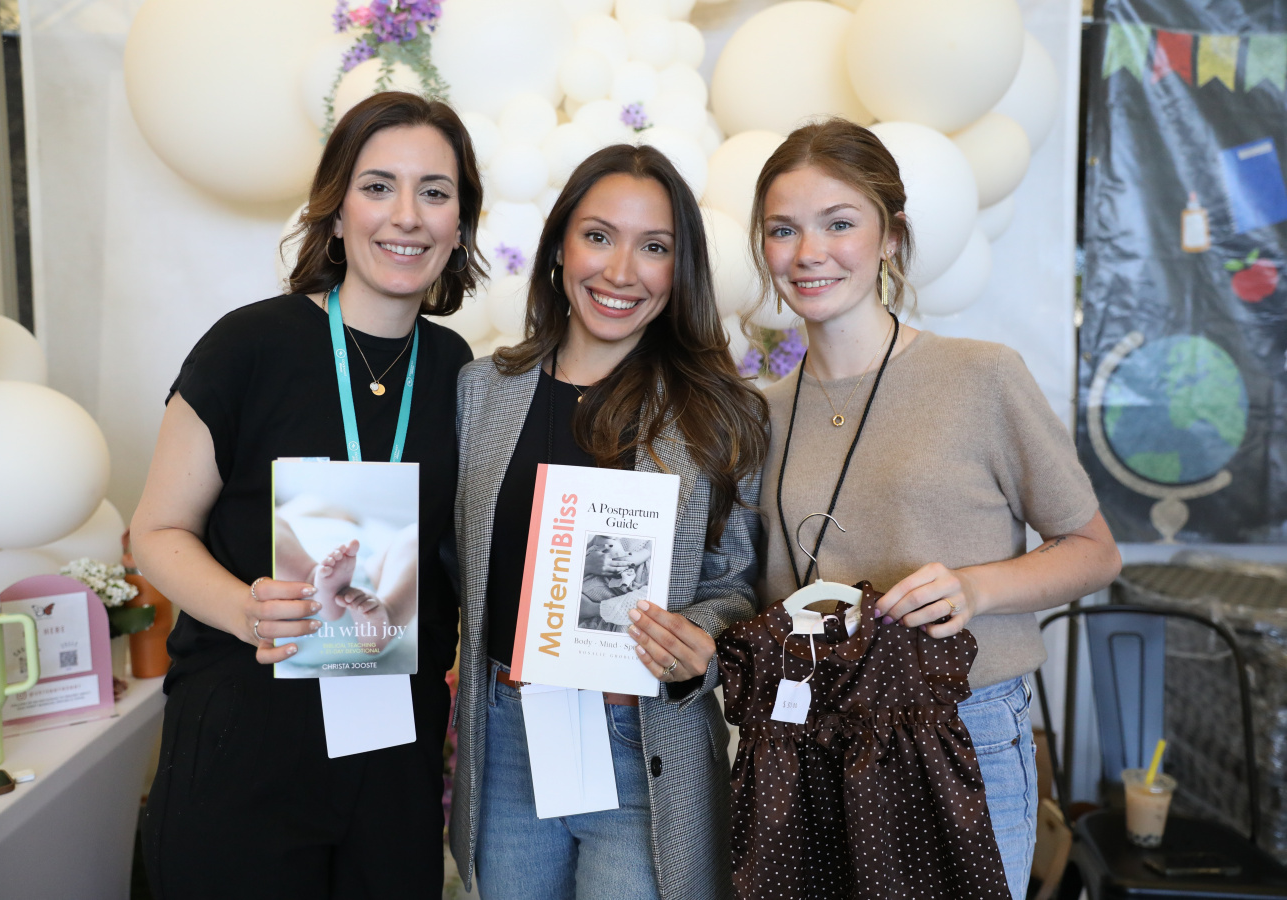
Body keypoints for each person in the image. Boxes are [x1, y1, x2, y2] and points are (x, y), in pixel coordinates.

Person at [747, 118, 1122, 900]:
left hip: (963, 729)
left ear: (890, 236)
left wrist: (974, 589)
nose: (809, 252)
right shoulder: (759, 415)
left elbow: (1094, 550)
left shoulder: (981, 376)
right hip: (810, 738)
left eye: (839, 223)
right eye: (784, 229)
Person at [130, 91, 483, 899]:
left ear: (460, 225)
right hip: (247, 737)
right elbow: (157, 530)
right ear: (335, 212)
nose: (407, 215)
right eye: (378, 186)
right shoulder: (249, 346)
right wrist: (245, 608)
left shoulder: (458, 372)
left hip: (391, 749)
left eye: (434, 191)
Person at [449, 144, 770, 900]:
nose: (621, 271)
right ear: (560, 246)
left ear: (679, 269)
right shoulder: (480, 391)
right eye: (598, 236)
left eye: (654, 247)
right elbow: (451, 562)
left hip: (642, 739)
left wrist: (700, 643)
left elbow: (736, 585)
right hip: (511, 735)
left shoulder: (722, 414)